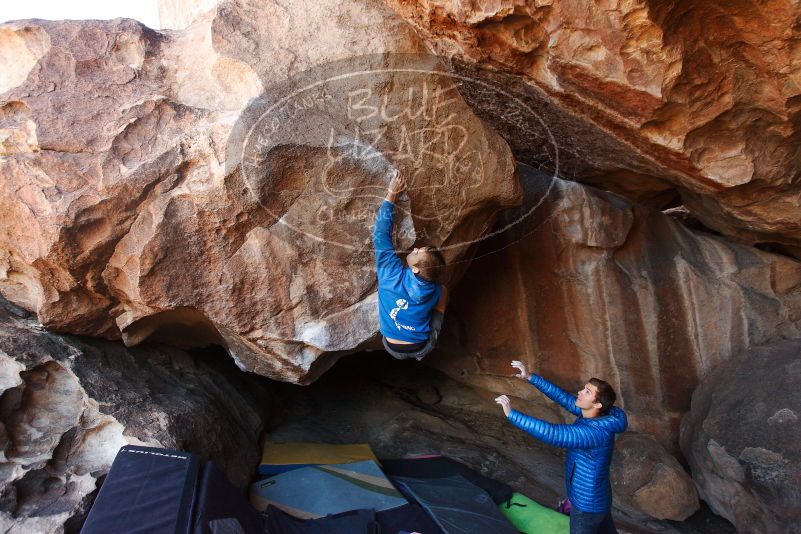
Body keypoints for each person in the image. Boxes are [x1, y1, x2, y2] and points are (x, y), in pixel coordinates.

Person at [495, 361, 627, 534]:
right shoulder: (596, 416)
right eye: (584, 388)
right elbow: (563, 397)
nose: (580, 392)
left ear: (597, 404)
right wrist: (530, 377)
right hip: (597, 499)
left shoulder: (593, 434)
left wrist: (512, 414)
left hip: (586, 506)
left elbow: (552, 433)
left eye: (587, 392)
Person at [374, 171, 447, 360]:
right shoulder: (436, 290)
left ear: (415, 270)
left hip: (391, 346)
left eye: (417, 253)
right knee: (444, 293)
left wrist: (392, 194)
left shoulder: (391, 275)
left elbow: (381, 234)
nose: (414, 250)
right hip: (421, 346)